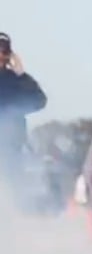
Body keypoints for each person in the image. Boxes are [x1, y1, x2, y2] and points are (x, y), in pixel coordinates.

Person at [0, 32, 47, 183]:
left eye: (4, 51)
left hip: (12, 142)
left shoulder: (17, 79)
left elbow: (39, 99)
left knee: (12, 178)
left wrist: (21, 75)